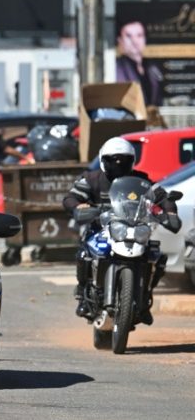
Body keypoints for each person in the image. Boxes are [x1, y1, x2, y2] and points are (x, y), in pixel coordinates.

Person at [63, 137, 177, 325]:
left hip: (133, 228)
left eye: (123, 160)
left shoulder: (141, 180)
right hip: (101, 229)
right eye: (113, 160)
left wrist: (170, 212)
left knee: (156, 256)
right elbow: (71, 197)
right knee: (84, 254)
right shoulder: (91, 179)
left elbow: (162, 196)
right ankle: (84, 295)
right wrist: (78, 207)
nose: (118, 164)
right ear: (103, 160)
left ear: (132, 161)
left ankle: (144, 300)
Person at [116, 20, 163, 106]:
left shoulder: (152, 68)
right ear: (120, 40)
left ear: (145, 39)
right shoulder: (116, 68)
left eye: (139, 35)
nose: (135, 41)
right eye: (129, 36)